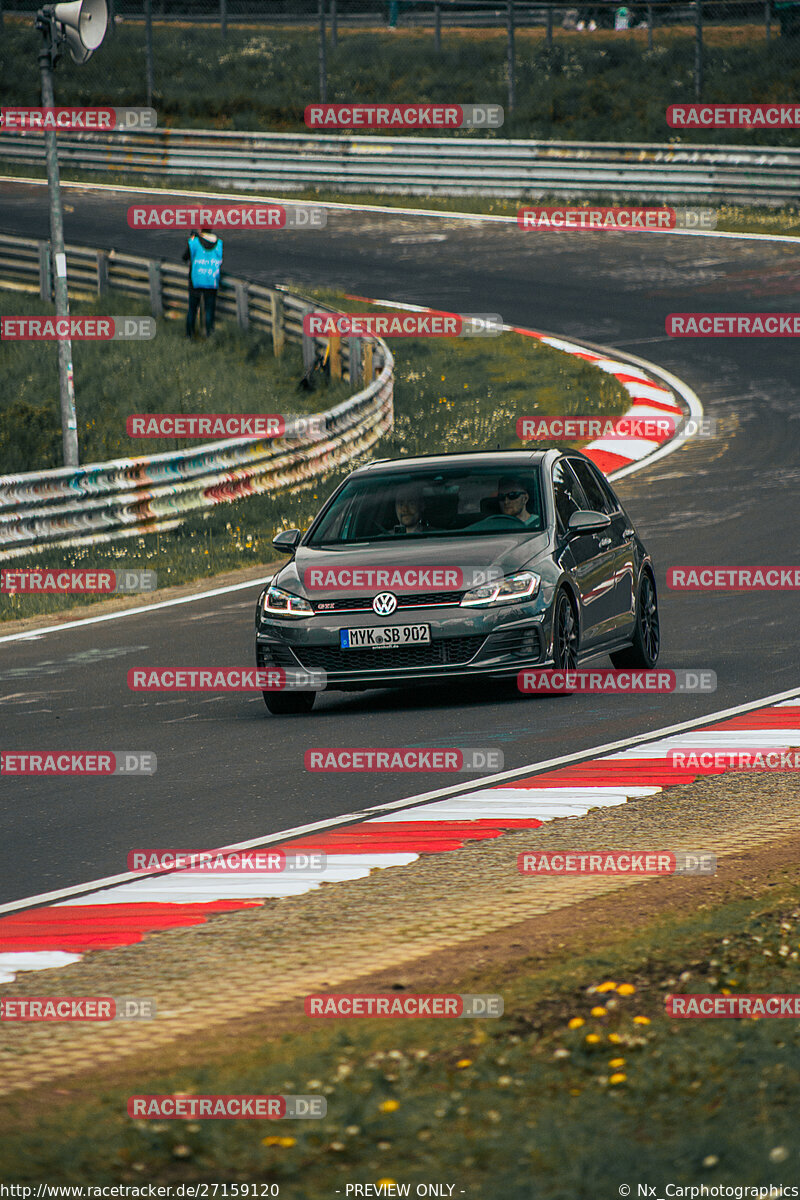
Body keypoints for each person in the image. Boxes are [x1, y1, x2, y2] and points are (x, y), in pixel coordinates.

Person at [183, 226, 223, 338]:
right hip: (211, 281)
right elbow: (220, 260)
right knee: (210, 311)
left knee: (192, 310)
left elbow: (185, 257)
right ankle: (210, 335)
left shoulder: (194, 242)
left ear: (201, 230)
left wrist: (191, 241)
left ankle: (189, 335)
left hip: (196, 281)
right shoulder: (219, 243)